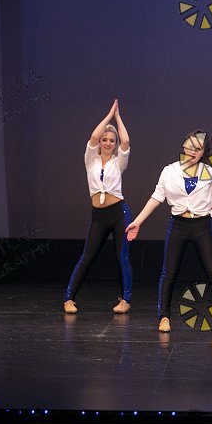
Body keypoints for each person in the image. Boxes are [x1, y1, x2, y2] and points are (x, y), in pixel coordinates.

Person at [125, 129, 212, 334]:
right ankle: (164, 317)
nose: (193, 151)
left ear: (203, 152)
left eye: (198, 148)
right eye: (191, 146)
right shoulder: (169, 171)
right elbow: (156, 197)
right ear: (184, 147)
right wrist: (137, 222)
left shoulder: (209, 172)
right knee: (169, 272)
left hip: (203, 226)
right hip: (178, 225)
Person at [64, 99, 133, 314]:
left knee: (121, 257)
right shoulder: (90, 160)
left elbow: (126, 140)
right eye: (105, 140)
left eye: (111, 140)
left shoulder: (118, 162)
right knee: (88, 256)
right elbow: (93, 137)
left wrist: (118, 118)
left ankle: (126, 300)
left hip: (119, 213)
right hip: (99, 216)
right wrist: (109, 116)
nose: (107, 143)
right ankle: (69, 298)